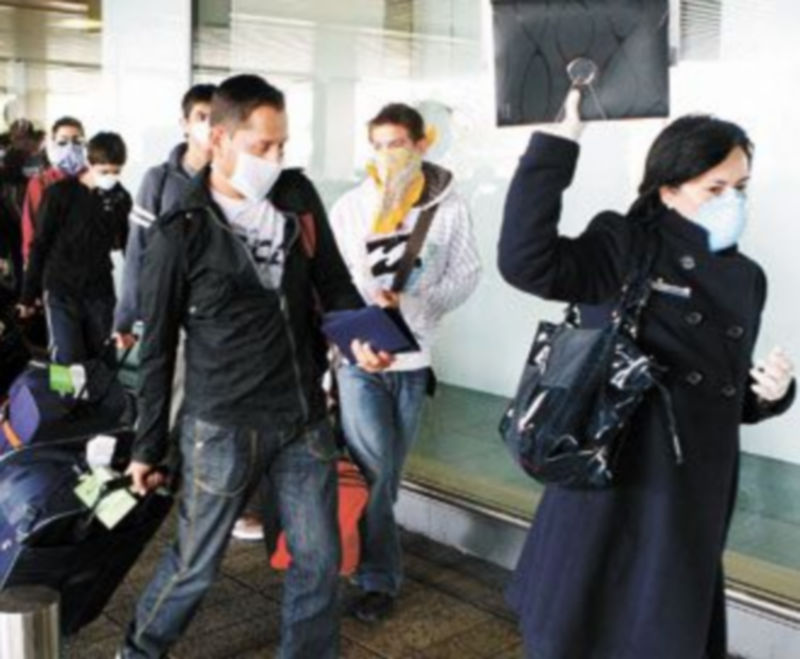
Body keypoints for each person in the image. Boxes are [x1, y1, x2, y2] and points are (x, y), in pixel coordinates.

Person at [498, 90, 796, 659]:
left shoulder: (747, 277)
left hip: (693, 487)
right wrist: (558, 144)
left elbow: (726, 395)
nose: (733, 202)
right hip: (615, 472)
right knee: (583, 632)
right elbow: (525, 260)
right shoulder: (625, 245)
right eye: (715, 188)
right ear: (668, 188)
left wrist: (770, 394)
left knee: (666, 635)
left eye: (741, 188)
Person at [118, 73, 392, 659]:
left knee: (318, 560)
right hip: (221, 425)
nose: (274, 159)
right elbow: (158, 347)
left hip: (301, 416)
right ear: (218, 138)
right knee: (194, 565)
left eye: (282, 145)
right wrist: (146, 447)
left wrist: (362, 337)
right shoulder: (180, 230)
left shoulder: (296, 198)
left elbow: (333, 284)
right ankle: (138, 651)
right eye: (261, 145)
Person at [329, 102, 481, 622]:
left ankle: (356, 556)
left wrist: (416, 301)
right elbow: (334, 280)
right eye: (378, 145)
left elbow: (467, 274)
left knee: (387, 475)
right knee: (375, 468)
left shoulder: (449, 208)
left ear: (421, 144)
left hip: (413, 356)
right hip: (358, 357)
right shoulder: (351, 206)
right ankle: (379, 580)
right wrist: (364, 312)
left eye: (396, 144)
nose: (387, 154)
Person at [113, 83, 216, 347]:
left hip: (216, 316)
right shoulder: (158, 180)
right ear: (185, 124)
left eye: (216, 118)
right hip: (166, 310)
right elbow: (138, 250)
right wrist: (126, 318)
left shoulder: (232, 181)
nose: (209, 125)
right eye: (201, 117)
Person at [19, 132, 131, 364]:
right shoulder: (59, 194)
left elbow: (129, 246)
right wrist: (28, 296)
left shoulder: (120, 198)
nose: (110, 177)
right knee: (66, 358)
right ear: (89, 163)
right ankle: (64, 390)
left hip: (100, 290)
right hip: (61, 289)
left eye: (116, 171)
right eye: (104, 171)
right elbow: (40, 244)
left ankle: (101, 389)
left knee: (103, 356)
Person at [21, 116, 86, 265]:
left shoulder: (91, 180)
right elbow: (30, 227)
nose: (70, 148)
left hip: (87, 264)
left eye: (77, 142)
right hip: (52, 264)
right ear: (54, 145)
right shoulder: (40, 183)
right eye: (63, 142)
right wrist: (30, 263)